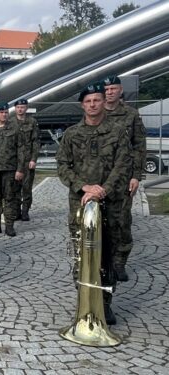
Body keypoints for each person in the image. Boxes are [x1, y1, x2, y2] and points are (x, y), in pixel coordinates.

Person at [56, 82, 131, 325]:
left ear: (103, 102)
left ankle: (105, 304)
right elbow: (62, 167)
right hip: (80, 204)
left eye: (96, 100)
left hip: (111, 204)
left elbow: (123, 166)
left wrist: (103, 190)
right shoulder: (71, 134)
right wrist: (84, 187)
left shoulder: (118, 132)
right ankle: (85, 301)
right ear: (82, 105)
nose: (92, 104)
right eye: (88, 101)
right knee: (82, 255)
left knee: (107, 255)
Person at [103, 75, 147, 282]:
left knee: (121, 222)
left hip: (123, 179)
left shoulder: (131, 115)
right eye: (107, 89)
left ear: (121, 91)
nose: (110, 92)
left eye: (113, 89)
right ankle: (101, 261)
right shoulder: (96, 113)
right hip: (99, 179)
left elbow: (139, 146)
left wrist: (136, 176)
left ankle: (119, 263)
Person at [0, 102, 26, 237]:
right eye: (1, 112)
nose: (4, 114)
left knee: (10, 198)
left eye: (6, 112)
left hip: (10, 169)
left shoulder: (15, 129)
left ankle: (9, 225)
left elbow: (21, 150)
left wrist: (20, 169)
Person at [9, 99, 39, 222]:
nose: (20, 109)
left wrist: (33, 159)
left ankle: (25, 211)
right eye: (18, 107)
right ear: (15, 109)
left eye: (22, 107)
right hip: (14, 160)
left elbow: (36, 142)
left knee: (26, 187)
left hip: (27, 160)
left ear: (26, 108)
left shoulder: (32, 122)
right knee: (14, 187)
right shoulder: (10, 122)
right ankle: (16, 211)